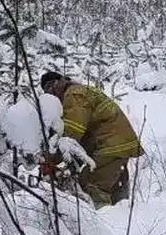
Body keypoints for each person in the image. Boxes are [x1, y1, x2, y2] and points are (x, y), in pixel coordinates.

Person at [39, 71, 143, 207]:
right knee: (116, 194)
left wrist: (51, 159)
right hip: (118, 144)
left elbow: (72, 132)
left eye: (51, 85)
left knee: (91, 185)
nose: (51, 92)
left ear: (60, 81)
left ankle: (100, 217)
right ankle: (123, 216)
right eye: (46, 90)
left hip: (110, 145)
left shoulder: (73, 94)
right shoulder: (80, 91)